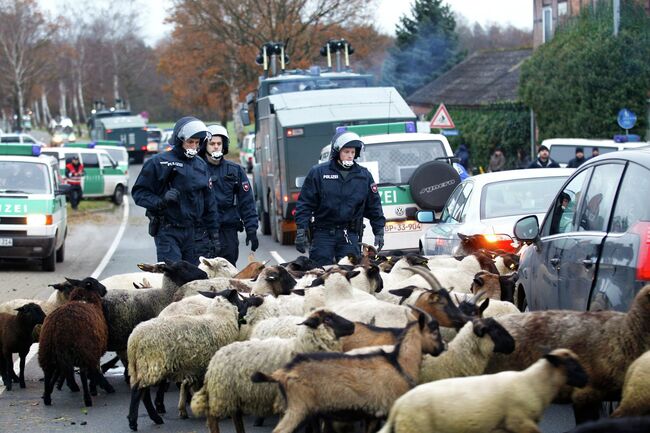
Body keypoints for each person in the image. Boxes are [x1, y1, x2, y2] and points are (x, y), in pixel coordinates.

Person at [132, 116, 220, 265]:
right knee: (173, 276)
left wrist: (214, 234)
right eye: (190, 142)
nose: (194, 146)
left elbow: (209, 202)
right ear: (180, 141)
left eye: (197, 143)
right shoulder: (158, 162)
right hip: (168, 231)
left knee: (196, 279)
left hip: (195, 233)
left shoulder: (201, 165)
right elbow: (139, 193)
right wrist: (160, 202)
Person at [294, 131, 385, 266]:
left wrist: (379, 231)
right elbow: (305, 203)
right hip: (323, 234)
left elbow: (374, 206)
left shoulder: (364, 176)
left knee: (351, 274)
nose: (350, 155)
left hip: (349, 234)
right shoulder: (319, 172)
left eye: (352, 152)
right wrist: (301, 230)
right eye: (346, 151)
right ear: (337, 152)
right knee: (320, 272)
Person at [197, 124, 259, 267]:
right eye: (212, 144)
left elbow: (247, 202)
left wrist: (251, 229)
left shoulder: (235, 170)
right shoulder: (197, 169)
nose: (216, 147)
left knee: (228, 271)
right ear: (205, 146)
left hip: (227, 231)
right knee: (204, 273)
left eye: (219, 143)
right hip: (203, 232)